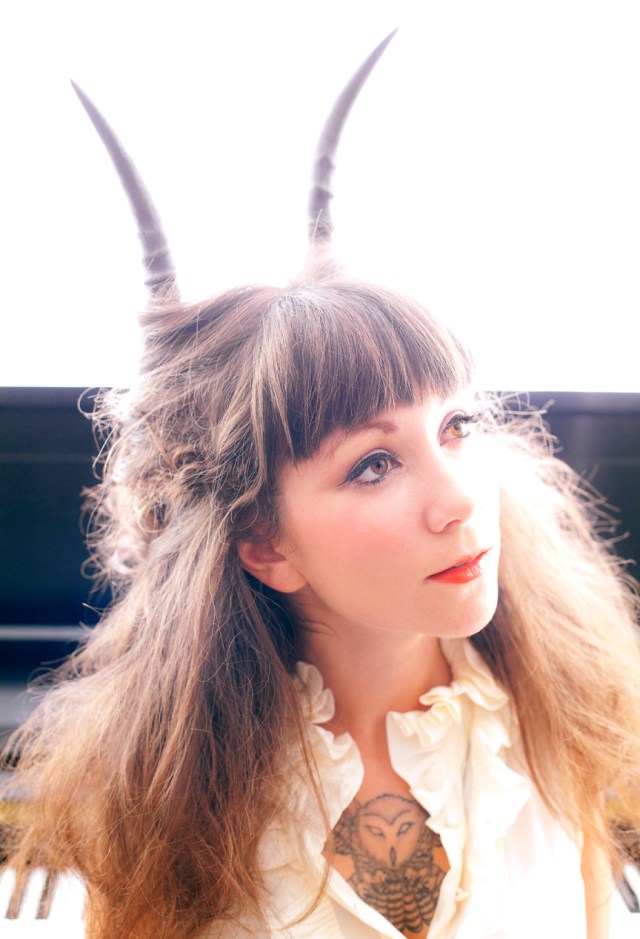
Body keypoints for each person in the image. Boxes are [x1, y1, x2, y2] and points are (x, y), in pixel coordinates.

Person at [2, 34, 640, 939]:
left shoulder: (554, 718)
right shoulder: (166, 806)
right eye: (373, 463)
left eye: (455, 427)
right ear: (265, 544)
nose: (462, 499)